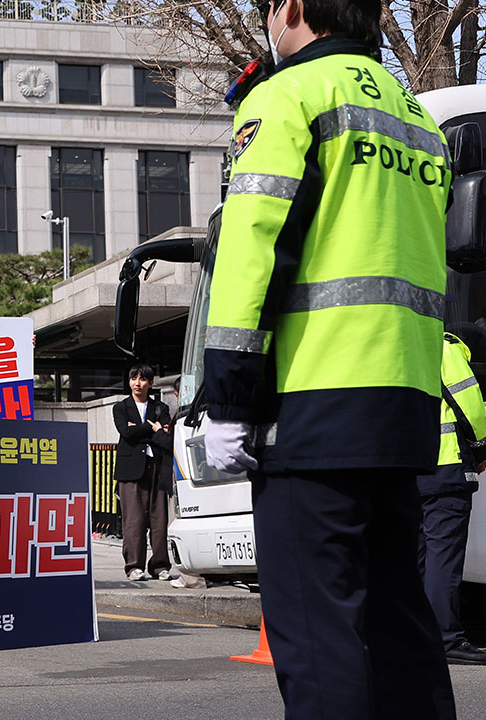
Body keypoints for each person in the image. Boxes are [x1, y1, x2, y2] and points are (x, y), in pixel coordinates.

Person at [201, 0, 455, 716]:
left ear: (295, 9)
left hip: (309, 405)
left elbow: (253, 250)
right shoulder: (418, 120)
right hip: (401, 406)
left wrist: (227, 397)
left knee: (317, 635)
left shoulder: (289, 95)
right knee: (400, 623)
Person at [419, 333, 486, 665]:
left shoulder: (404, 345)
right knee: (443, 559)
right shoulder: (444, 346)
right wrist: (483, 447)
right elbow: (469, 401)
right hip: (446, 469)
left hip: (407, 470)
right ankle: (446, 638)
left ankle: (417, 635)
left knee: (418, 560)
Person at [111, 364, 172, 581]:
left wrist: (140, 429)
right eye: (134, 378)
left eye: (143, 379)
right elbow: (126, 433)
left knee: (159, 518)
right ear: (129, 382)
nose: (138, 383)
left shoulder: (161, 408)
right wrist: (153, 428)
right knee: (134, 520)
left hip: (156, 467)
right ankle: (134, 566)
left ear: (151, 383)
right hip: (130, 470)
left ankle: (160, 566)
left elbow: (165, 438)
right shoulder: (120, 408)